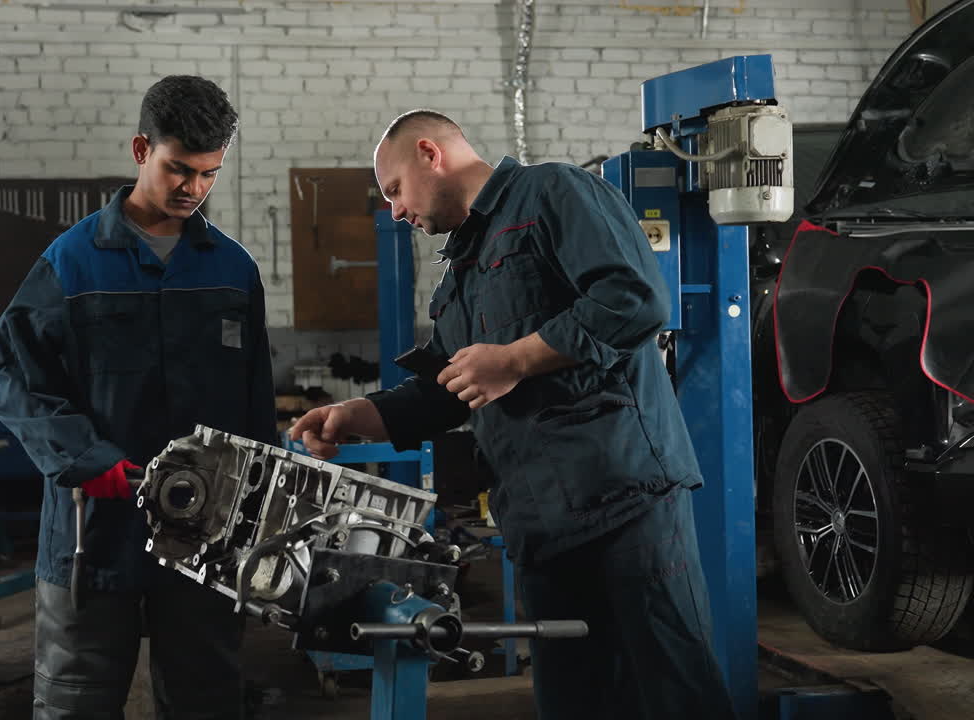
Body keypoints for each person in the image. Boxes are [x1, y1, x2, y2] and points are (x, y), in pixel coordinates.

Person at [289, 110, 738, 719]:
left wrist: (518, 359)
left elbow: (634, 300)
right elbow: (450, 390)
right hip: (540, 525)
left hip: (625, 502)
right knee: (573, 702)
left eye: (394, 189)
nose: (394, 211)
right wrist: (354, 413)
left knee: (673, 690)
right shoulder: (458, 273)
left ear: (430, 152)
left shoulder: (554, 192)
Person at [0, 75, 276, 720]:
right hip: (95, 528)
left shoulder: (233, 271)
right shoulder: (71, 263)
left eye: (209, 174)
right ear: (142, 148)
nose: (193, 189)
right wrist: (90, 461)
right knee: (75, 703)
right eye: (179, 169)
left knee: (205, 699)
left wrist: (257, 513)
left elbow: (256, 403)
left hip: (208, 529)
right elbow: (17, 380)